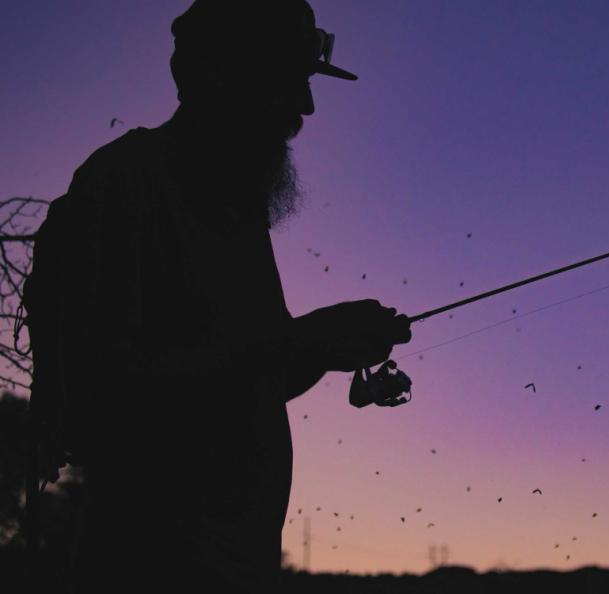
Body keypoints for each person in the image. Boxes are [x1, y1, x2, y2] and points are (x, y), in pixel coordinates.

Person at [57, 1, 411, 592]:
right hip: (148, 567)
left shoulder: (235, 211)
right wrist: (303, 339)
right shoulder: (124, 185)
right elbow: (105, 400)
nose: (305, 107)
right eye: (288, 82)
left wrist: (322, 350)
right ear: (221, 75)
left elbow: (251, 377)